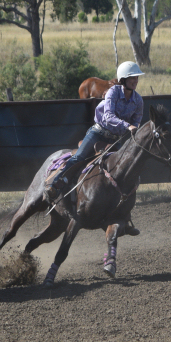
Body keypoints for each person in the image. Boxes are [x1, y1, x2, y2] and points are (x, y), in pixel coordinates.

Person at [46, 61, 145, 229]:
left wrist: (133, 129)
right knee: (79, 157)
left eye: (136, 78)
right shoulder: (113, 92)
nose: (135, 81)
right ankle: (56, 183)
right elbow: (108, 117)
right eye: (132, 78)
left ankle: (124, 214)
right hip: (98, 132)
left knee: (126, 169)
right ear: (123, 79)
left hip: (116, 138)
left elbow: (136, 121)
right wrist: (127, 126)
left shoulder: (138, 100)